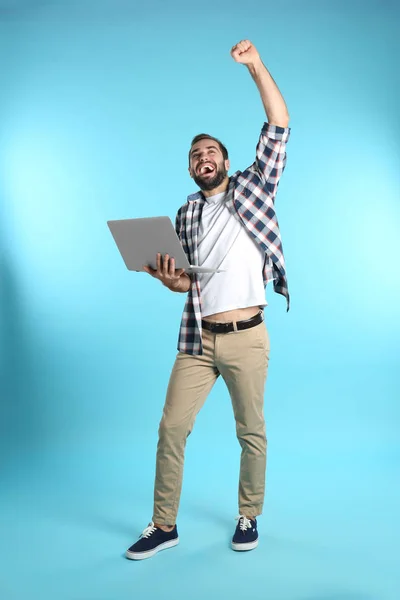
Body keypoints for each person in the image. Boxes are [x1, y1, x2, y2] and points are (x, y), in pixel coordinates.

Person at [126, 39, 291, 560]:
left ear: (226, 159)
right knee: (171, 428)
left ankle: (249, 515)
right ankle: (163, 525)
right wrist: (165, 277)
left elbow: (279, 122)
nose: (203, 158)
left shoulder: (255, 186)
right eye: (195, 155)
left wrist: (255, 66)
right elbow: (186, 284)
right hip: (197, 339)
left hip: (246, 336)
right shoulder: (185, 215)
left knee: (251, 432)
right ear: (191, 168)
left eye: (210, 151)